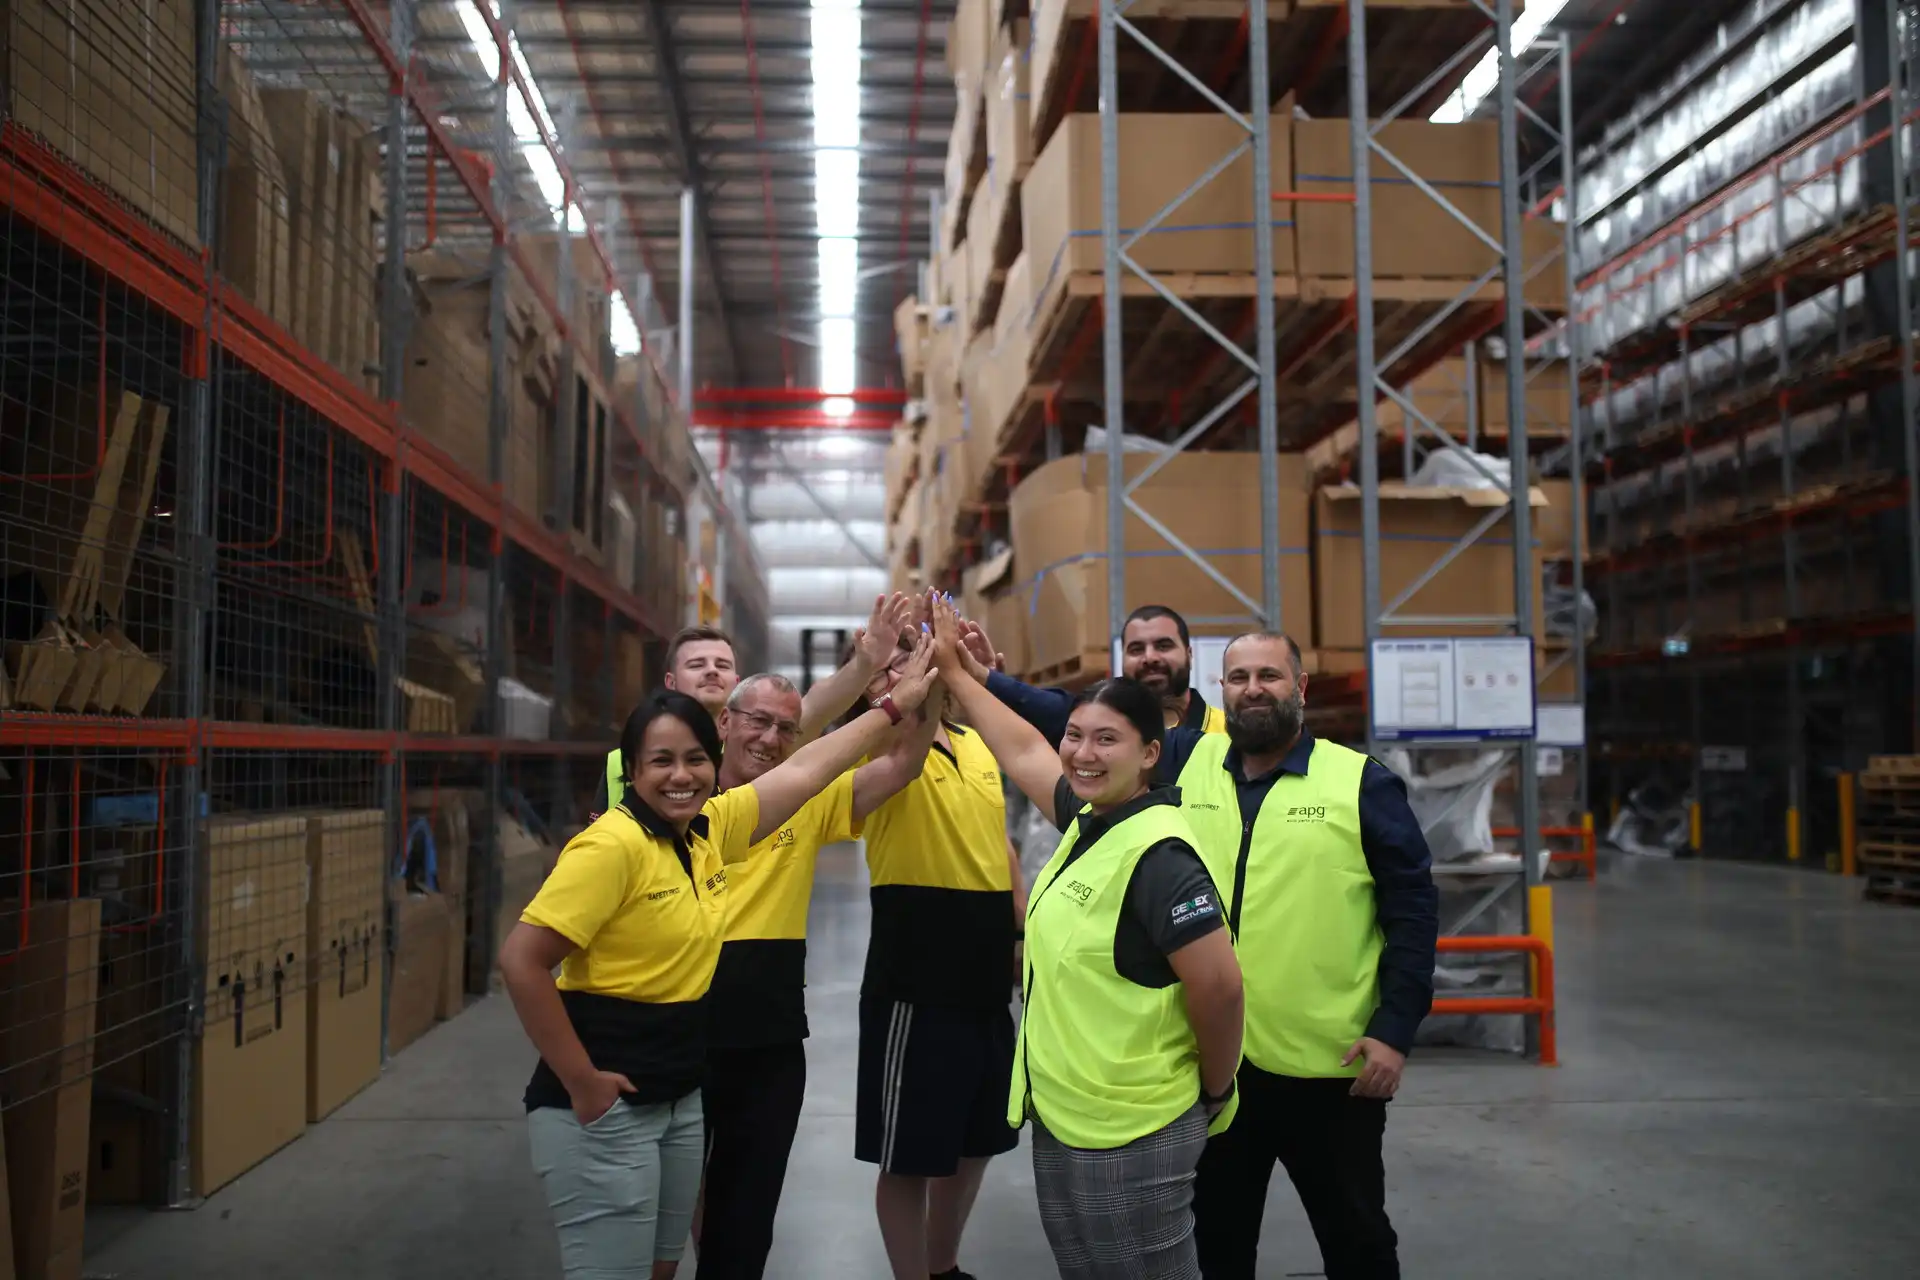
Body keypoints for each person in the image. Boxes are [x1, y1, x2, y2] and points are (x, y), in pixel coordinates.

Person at [954, 627, 1438, 1280]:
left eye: (1268, 676)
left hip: (1330, 1069)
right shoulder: (1190, 759)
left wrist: (1395, 1030)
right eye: (1238, 678)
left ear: (1300, 687)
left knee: (1356, 1238)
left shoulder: (1359, 784)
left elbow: (1413, 911)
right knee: (1217, 1244)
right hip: (1218, 1072)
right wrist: (979, 680)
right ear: (1221, 691)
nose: (1252, 690)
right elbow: (1084, 724)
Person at [497, 637, 941, 1280]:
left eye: (693, 762)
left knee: (681, 1245)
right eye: (663, 762)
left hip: (708, 1064)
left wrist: (902, 700)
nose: (682, 776)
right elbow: (523, 960)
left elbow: (810, 767)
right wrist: (583, 1083)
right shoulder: (616, 844)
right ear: (634, 768)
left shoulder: (709, 830)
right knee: (628, 1256)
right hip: (629, 1072)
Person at [929, 598, 1245, 1280]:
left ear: (1149, 755)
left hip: (1137, 1124)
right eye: (1074, 735)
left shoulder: (1161, 854)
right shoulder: (1087, 820)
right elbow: (1019, 749)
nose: (1082, 752)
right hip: (1069, 1114)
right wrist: (957, 676)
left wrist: (1215, 1089)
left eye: (1107, 740)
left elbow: (1219, 988)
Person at [694, 670, 942, 1280]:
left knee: (747, 1221)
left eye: (787, 728)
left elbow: (905, 763)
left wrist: (937, 680)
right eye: (758, 721)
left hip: (770, 1042)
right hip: (681, 1034)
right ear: (724, 723)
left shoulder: (805, 801)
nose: (771, 737)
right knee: (658, 1216)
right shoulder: (681, 800)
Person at [855, 596, 1027, 1280]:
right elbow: (903, 745)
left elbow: (1002, 845)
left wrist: (1018, 931)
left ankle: (942, 1264)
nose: (922, 661)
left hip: (985, 972)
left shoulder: (979, 747)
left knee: (978, 1137)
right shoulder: (875, 747)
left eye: (927, 648)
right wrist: (917, 692)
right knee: (909, 1152)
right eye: (904, 655)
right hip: (915, 978)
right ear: (874, 682)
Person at [595, 597, 918, 814]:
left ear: (735, 683)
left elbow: (818, 705)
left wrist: (866, 666)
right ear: (670, 682)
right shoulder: (620, 763)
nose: (710, 670)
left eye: (721, 664)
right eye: (696, 664)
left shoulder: (756, 752)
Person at [963, 604, 1227, 741]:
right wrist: (989, 680)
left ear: (1189, 655)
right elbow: (1039, 712)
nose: (1150, 658)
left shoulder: (1227, 735)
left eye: (1163, 645)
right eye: (1136, 649)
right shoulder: (1095, 728)